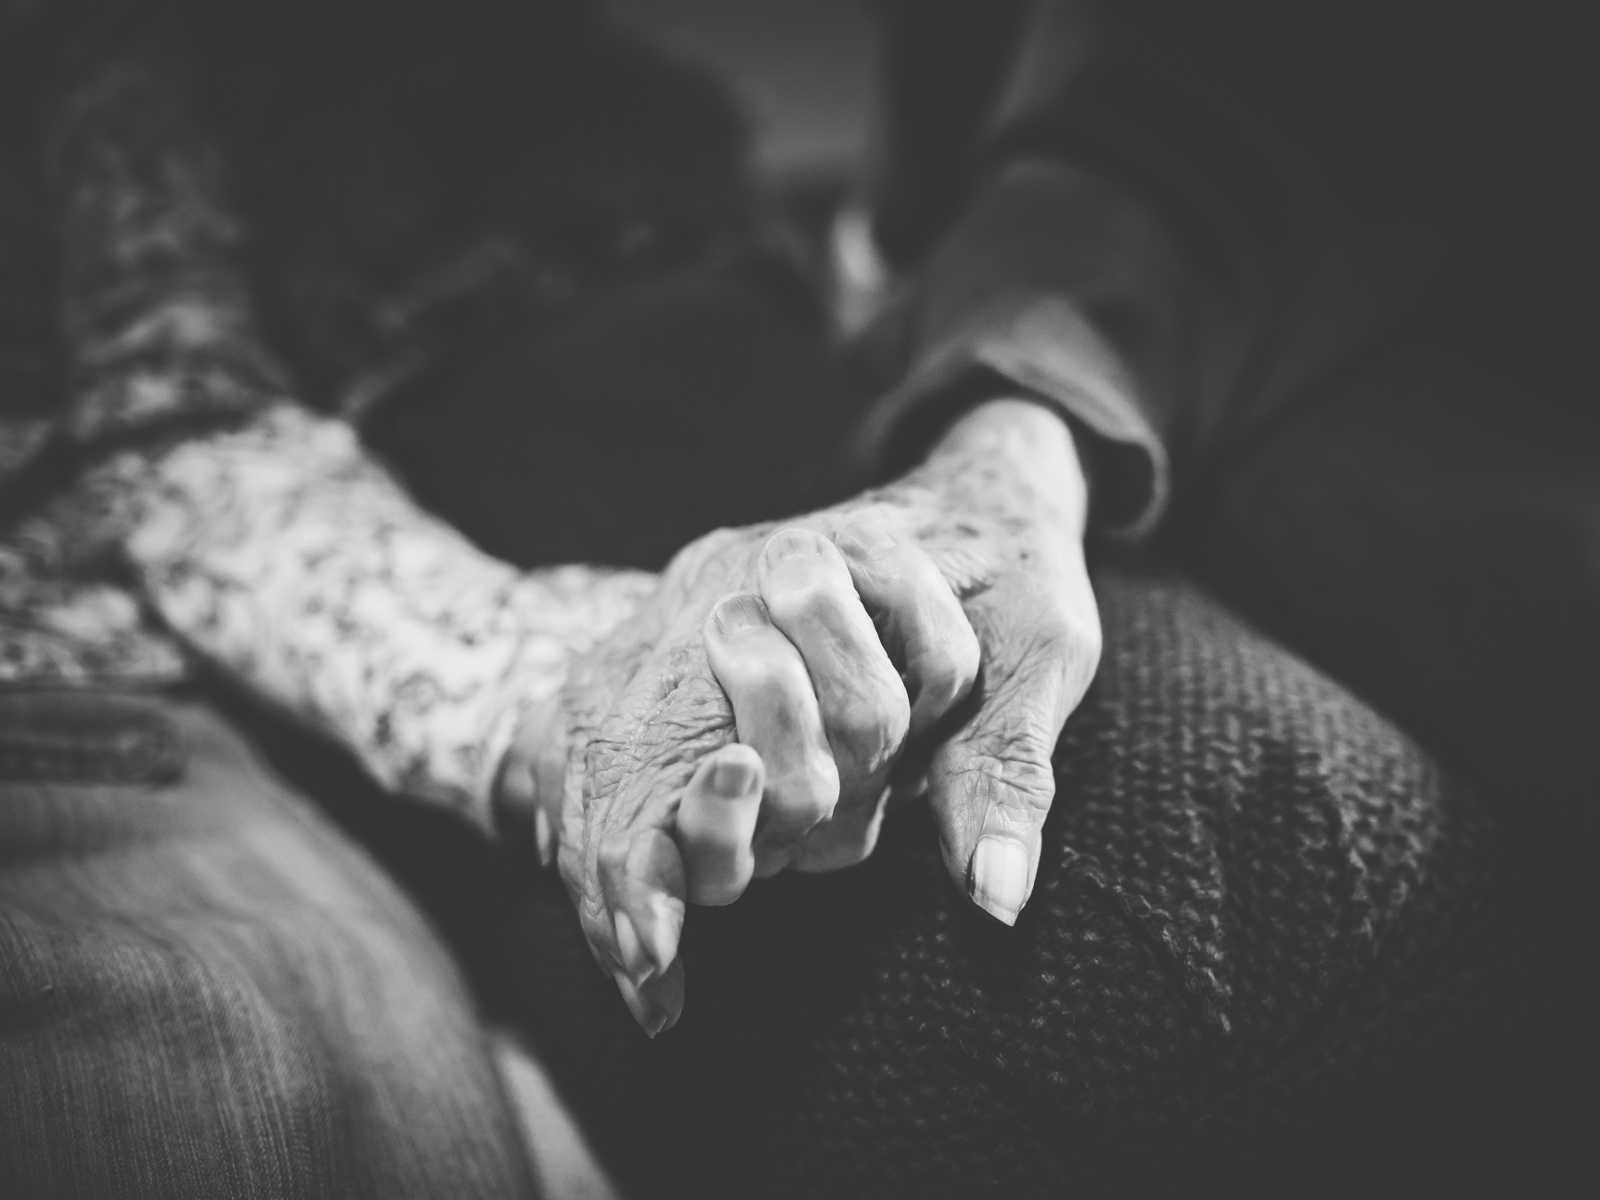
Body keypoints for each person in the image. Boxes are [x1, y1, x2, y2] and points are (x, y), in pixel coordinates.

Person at [0, 1, 1583, 1197]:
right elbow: (175, 432)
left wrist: (1005, 426)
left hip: (787, 316)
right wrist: (556, 690)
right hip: (362, 482)